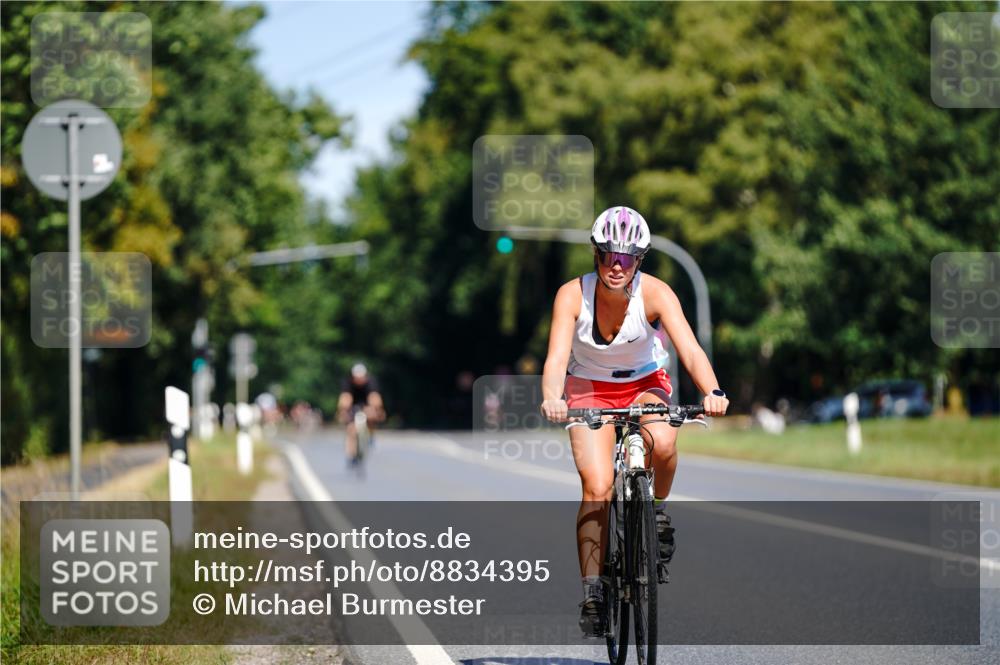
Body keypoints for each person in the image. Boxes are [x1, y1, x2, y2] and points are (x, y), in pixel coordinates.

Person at [539, 206, 730, 637]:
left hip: (645, 382)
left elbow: (692, 350)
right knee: (598, 485)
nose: (616, 265)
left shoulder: (658, 293)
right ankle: (593, 590)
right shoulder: (572, 295)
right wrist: (552, 398)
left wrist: (713, 392)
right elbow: (555, 358)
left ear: (640, 259)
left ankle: (656, 512)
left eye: (627, 257)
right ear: (595, 253)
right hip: (587, 386)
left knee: (663, 440)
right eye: (608, 254)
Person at [337, 363, 385, 465]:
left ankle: (371, 434)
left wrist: (377, 410)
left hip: (366, 404)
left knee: (372, 413)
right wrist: (343, 411)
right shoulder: (348, 382)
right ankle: (351, 454)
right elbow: (345, 398)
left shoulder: (371, 382)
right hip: (353, 405)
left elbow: (374, 397)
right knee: (351, 429)